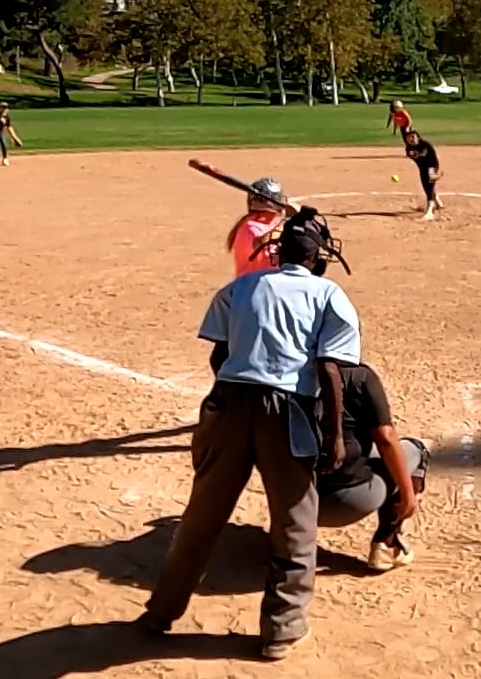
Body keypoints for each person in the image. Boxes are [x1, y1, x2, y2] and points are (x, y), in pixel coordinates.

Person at [136, 208, 361, 659]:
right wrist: (333, 434)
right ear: (317, 255)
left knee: (202, 514)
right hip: (288, 410)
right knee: (294, 525)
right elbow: (329, 369)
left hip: (229, 403)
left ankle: (160, 612)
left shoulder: (241, 287)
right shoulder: (328, 294)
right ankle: (281, 630)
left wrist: (230, 399)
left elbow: (219, 356)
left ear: (279, 250)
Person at [316, 361, 427, 572]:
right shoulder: (358, 376)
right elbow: (386, 439)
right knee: (415, 450)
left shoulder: (289, 369)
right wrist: (408, 495)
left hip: (294, 505)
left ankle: (285, 539)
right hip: (346, 503)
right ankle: (387, 543)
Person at [226, 177, 291, 278]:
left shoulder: (279, 223)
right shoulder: (249, 227)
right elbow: (260, 243)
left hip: (275, 283)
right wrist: (285, 221)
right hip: (252, 285)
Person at [402, 130, 443, 221]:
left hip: (432, 167)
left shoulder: (425, 145)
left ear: (418, 137)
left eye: (413, 137)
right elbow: (413, 156)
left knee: (428, 186)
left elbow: (429, 158)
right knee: (428, 185)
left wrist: (434, 173)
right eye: (409, 138)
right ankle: (437, 202)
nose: (411, 139)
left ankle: (430, 211)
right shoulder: (409, 148)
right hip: (423, 169)